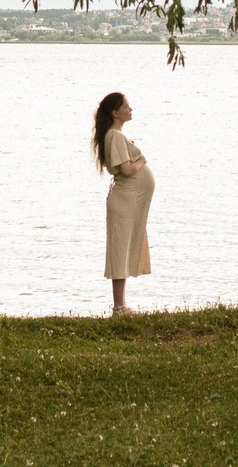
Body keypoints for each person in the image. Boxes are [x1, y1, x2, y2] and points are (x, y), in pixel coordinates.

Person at [93, 90, 152, 314]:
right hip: (124, 201)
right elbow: (126, 170)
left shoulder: (115, 135)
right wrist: (142, 160)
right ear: (116, 112)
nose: (130, 109)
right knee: (119, 250)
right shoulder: (115, 136)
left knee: (123, 249)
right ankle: (119, 307)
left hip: (128, 201)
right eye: (126, 106)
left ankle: (121, 305)